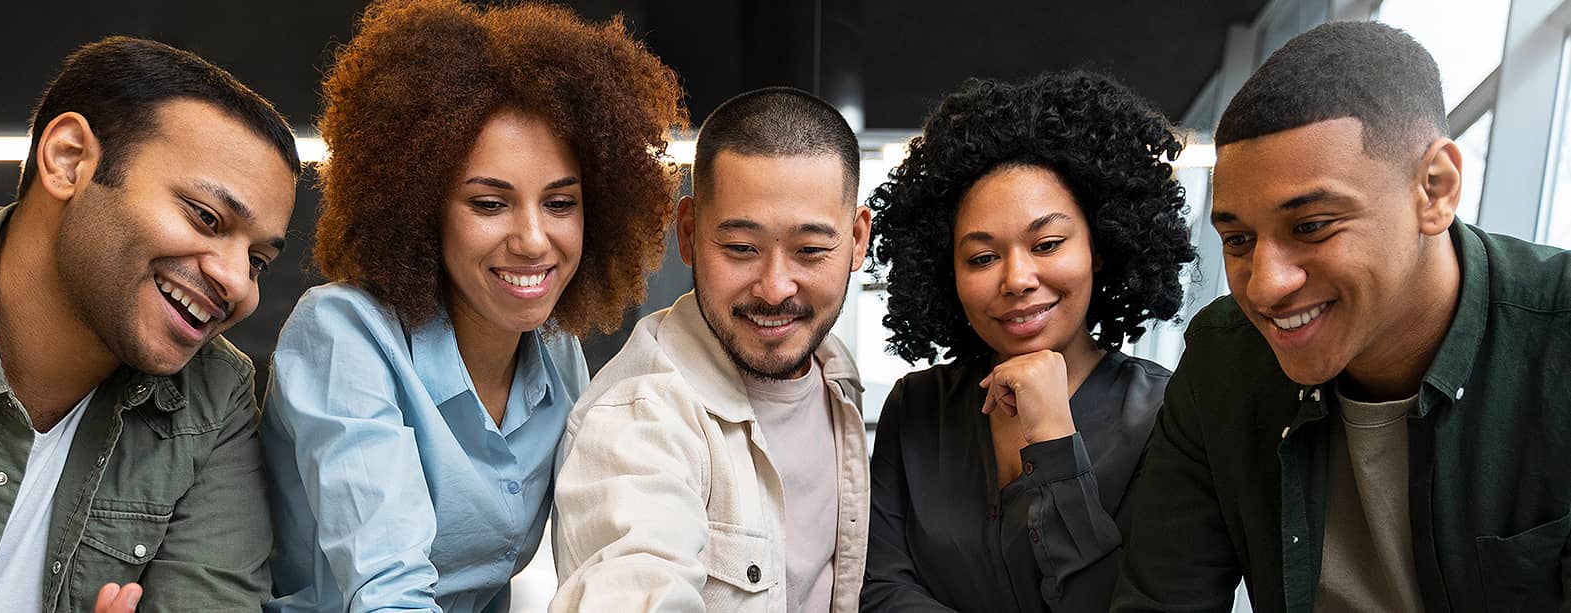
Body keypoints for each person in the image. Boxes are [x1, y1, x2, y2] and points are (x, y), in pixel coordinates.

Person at [1113, 21, 1571, 612]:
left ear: (1435, 190)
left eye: (1311, 227)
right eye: (1239, 239)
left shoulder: (1557, 337)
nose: (1267, 285)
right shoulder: (1225, 359)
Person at [258, 0, 685, 611]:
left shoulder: (558, 358)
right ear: (422, 206)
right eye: (490, 204)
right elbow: (388, 594)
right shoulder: (344, 335)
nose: (535, 240)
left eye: (561, 204)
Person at [0, 36, 300, 613]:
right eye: (206, 218)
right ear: (68, 160)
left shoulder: (213, 401)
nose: (238, 283)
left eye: (258, 260)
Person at [858, 71, 1195, 612]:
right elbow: (880, 588)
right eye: (983, 257)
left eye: (1048, 243)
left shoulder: (1169, 418)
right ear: (947, 274)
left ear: (1102, 248)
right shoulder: (919, 407)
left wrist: (1055, 440)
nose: (1016, 279)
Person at [548, 86, 871, 612]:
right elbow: (637, 578)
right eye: (741, 249)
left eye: (810, 251)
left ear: (857, 240)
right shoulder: (639, 421)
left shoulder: (836, 373)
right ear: (689, 232)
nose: (775, 287)